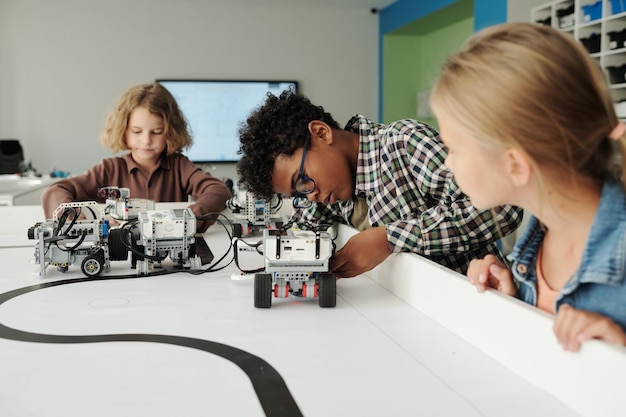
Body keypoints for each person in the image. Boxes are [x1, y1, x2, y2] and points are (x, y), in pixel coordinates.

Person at [429, 22, 626, 352]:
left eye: (454, 149)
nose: (448, 163)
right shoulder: (536, 240)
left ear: (516, 166)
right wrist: (516, 305)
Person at [236, 90, 522, 277]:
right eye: (298, 194)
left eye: (301, 182)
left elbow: (501, 209)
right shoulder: (334, 191)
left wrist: (389, 238)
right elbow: (304, 226)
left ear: (321, 134)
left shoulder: (404, 144)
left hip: (478, 307)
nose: (309, 197)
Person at [41, 83, 231, 233]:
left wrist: (190, 218)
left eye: (157, 132)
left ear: (170, 132)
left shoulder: (180, 166)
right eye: (137, 131)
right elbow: (56, 190)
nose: (146, 140)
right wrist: (80, 224)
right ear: (123, 130)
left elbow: (218, 190)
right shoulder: (109, 170)